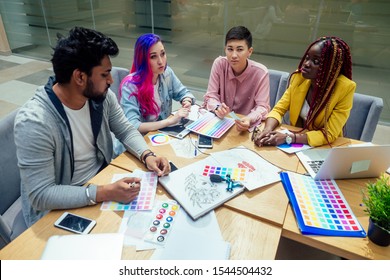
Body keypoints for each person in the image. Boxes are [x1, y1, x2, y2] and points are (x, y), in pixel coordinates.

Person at [14, 27, 170, 227]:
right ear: (80, 77)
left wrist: (147, 155)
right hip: (59, 205)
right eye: (105, 74)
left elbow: (125, 129)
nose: (111, 80)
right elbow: (41, 194)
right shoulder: (35, 122)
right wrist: (104, 192)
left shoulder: (101, 97)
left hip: (100, 180)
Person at [252, 36, 356, 147]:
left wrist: (290, 138)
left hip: (324, 146)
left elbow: (329, 134)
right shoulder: (299, 78)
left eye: (315, 61)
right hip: (297, 145)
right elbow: (278, 110)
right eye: (307, 58)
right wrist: (267, 130)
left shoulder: (345, 88)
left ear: (330, 67)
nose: (306, 64)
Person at [118, 33, 195, 134]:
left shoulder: (167, 73)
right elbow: (133, 125)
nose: (160, 61)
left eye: (162, 54)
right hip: (140, 140)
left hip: (160, 134)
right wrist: (169, 121)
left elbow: (184, 93)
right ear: (143, 60)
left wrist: (186, 101)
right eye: (153, 57)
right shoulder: (130, 85)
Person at [202, 26, 270, 132]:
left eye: (239, 49)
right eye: (230, 49)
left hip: (246, 128)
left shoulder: (261, 73)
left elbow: (263, 107)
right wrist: (217, 107)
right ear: (225, 49)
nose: (234, 55)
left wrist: (249, 118)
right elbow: (211, 96)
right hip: (221, 124)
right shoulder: (219, 64)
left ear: (250, 51)